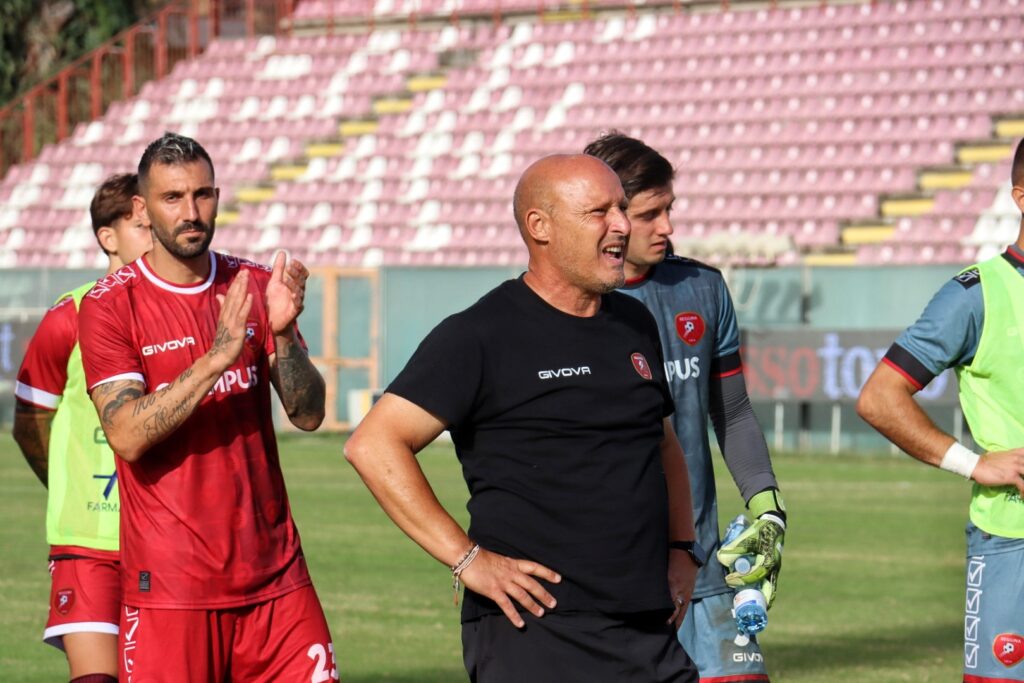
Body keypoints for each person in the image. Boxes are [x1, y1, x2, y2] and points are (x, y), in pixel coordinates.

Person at [345, 154, 701, 683]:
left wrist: (682, 549)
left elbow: (662, 441)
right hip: (535, 632)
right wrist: (467, 560)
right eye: (598, 212)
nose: (622, 225)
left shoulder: (633, 321)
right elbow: (373, 444)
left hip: (647, 628)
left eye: (622, 209)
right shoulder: (480, 334)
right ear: (541, 227)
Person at [77, 132, 338, 682]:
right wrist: (217, 357)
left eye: (203, 195)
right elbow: (125, 435)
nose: (192, 213)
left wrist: (285, 335)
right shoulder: (110, 306)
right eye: (173, 198)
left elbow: (309, 414)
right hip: (171, 589)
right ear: (143, 211)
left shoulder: (255, 286)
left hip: (277, 580)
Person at [585, 132, 786, 683]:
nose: (668, 227)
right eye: (651, 213)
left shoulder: (702, 287)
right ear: (610, 216)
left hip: (705, 566)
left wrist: (767, 502)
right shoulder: (568, 304)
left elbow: (734, 410)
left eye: (670, 209)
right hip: (609, 576)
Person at [857, 139, 1024, 683]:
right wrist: (976, 464)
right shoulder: (977, 295)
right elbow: (880, 398)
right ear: (1021, 197)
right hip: (1012, 539)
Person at [13, 173, 152, 683]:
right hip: (86, 541)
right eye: (142, 227)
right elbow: (29, 422)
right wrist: (67, 487)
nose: (155, 236)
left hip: (165, 539)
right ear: (107, 237)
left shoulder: (184, 318)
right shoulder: (68, 316)